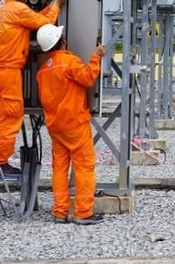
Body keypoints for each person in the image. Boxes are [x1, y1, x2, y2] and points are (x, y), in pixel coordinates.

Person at [0, 0, 66, 176]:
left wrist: (49, 8)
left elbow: (34, 19)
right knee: (11, 114)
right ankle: (0, 163)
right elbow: (44, 23)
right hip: (7, 68)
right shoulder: (17, 9)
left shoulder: (3, 6)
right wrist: (55, 4)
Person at [36, 24, 106, 225]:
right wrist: (96, 56)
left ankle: (60, 212)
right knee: (84, 166)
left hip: (55, 127)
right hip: (75, 123)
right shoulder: (68, 61)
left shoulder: (42, 71)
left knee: (60, 168)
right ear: (62, 41)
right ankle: (83, 212)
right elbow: (87, 77)